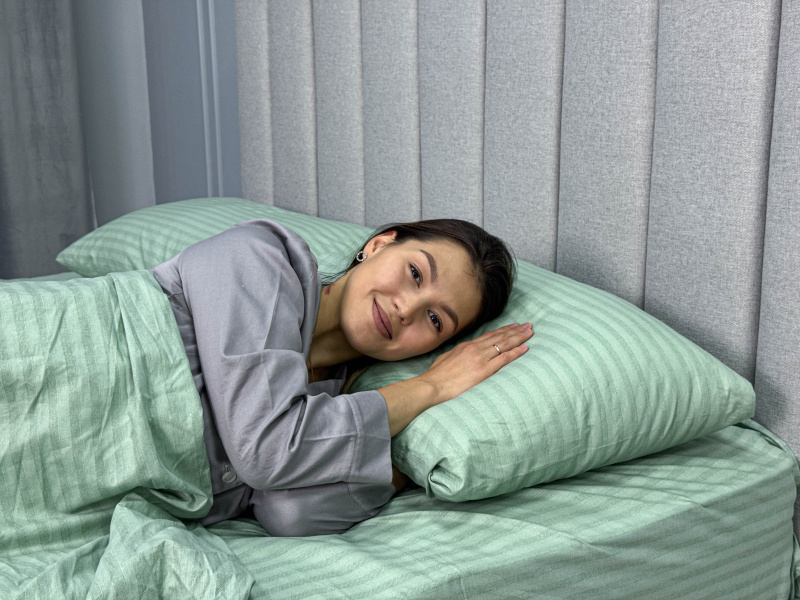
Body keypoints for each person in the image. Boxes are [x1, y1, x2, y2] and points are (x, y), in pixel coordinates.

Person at [150, 217, 533, 536]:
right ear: (379, 245)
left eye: (435, 320)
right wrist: (431, 386)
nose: (406, 309)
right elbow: (266, 453)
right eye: (415, 273)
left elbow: (289, 512)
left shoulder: (334, 406)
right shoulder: (259, 257)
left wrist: (401, 469)